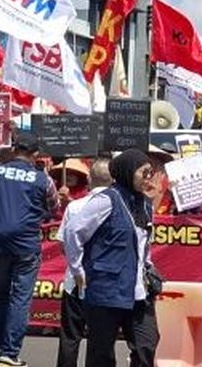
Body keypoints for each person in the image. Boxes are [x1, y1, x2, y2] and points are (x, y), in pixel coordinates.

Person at [61, 149, 160, 367]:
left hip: (138, 290)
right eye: (144, 173)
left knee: (146, 344)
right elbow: (73, 231)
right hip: (106, 288)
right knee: (101, 353)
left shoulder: (145, 204)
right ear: (127, 172)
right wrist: (77, 270)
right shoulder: (106, 200)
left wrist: (148, 266)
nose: (148, 178)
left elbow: (143, 242)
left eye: (150, 173)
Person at [0, 134, 58, 367]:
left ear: (14, 149)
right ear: (35, 154)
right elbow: (54, 208)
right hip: (26, 243)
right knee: (20, 298)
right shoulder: (43, 180)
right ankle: (9, 353)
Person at [55, 157, 112, 367]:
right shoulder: (119, 207)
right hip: (103, 281)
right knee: (100, 337)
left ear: (89, 180)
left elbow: (64, 243)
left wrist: (76, 262)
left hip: (76, 279)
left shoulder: (75, 207)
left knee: (70, 335)